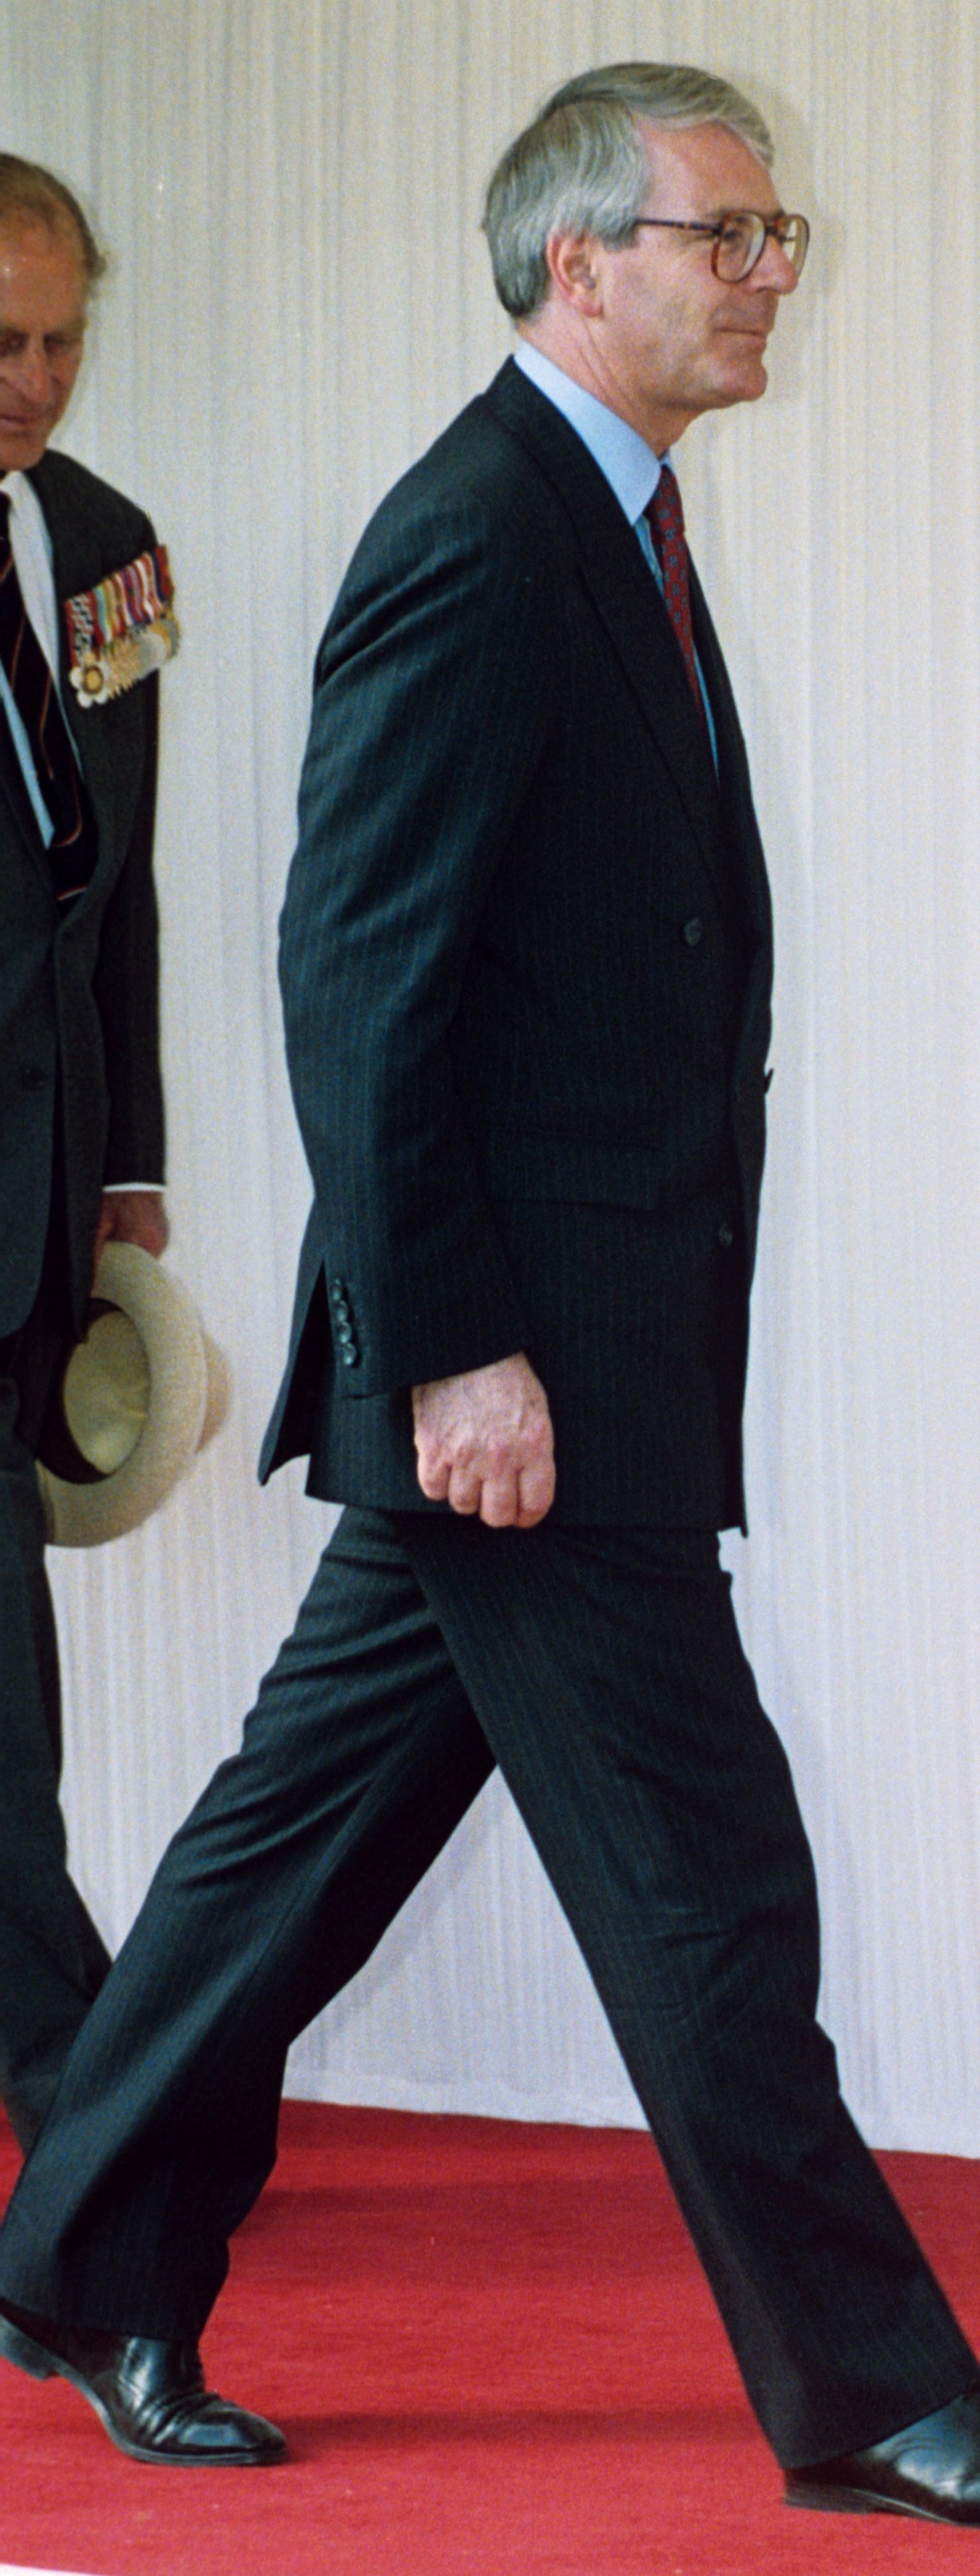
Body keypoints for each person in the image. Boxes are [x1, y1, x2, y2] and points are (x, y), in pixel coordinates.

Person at [0, 66, 980, 2529]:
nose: (766, 274)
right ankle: (868, 2391)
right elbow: (357, 972)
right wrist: (446, 1345)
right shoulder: (485, 531)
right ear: (578, 265)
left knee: (283, 1856)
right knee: (708, 1883)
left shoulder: (601, 512)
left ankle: (78, 2255)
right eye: (724, 235)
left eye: (778, 237)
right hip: (522, 1368)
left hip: (572, 1347)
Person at [0, 157, 173, 2158]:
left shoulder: (112, 552)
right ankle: (90, 2077)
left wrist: (132, 1163)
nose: (35, 382)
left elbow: (116, 889)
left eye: (61, 341)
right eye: (4, 344)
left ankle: (88, 2071)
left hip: (39, 1196)